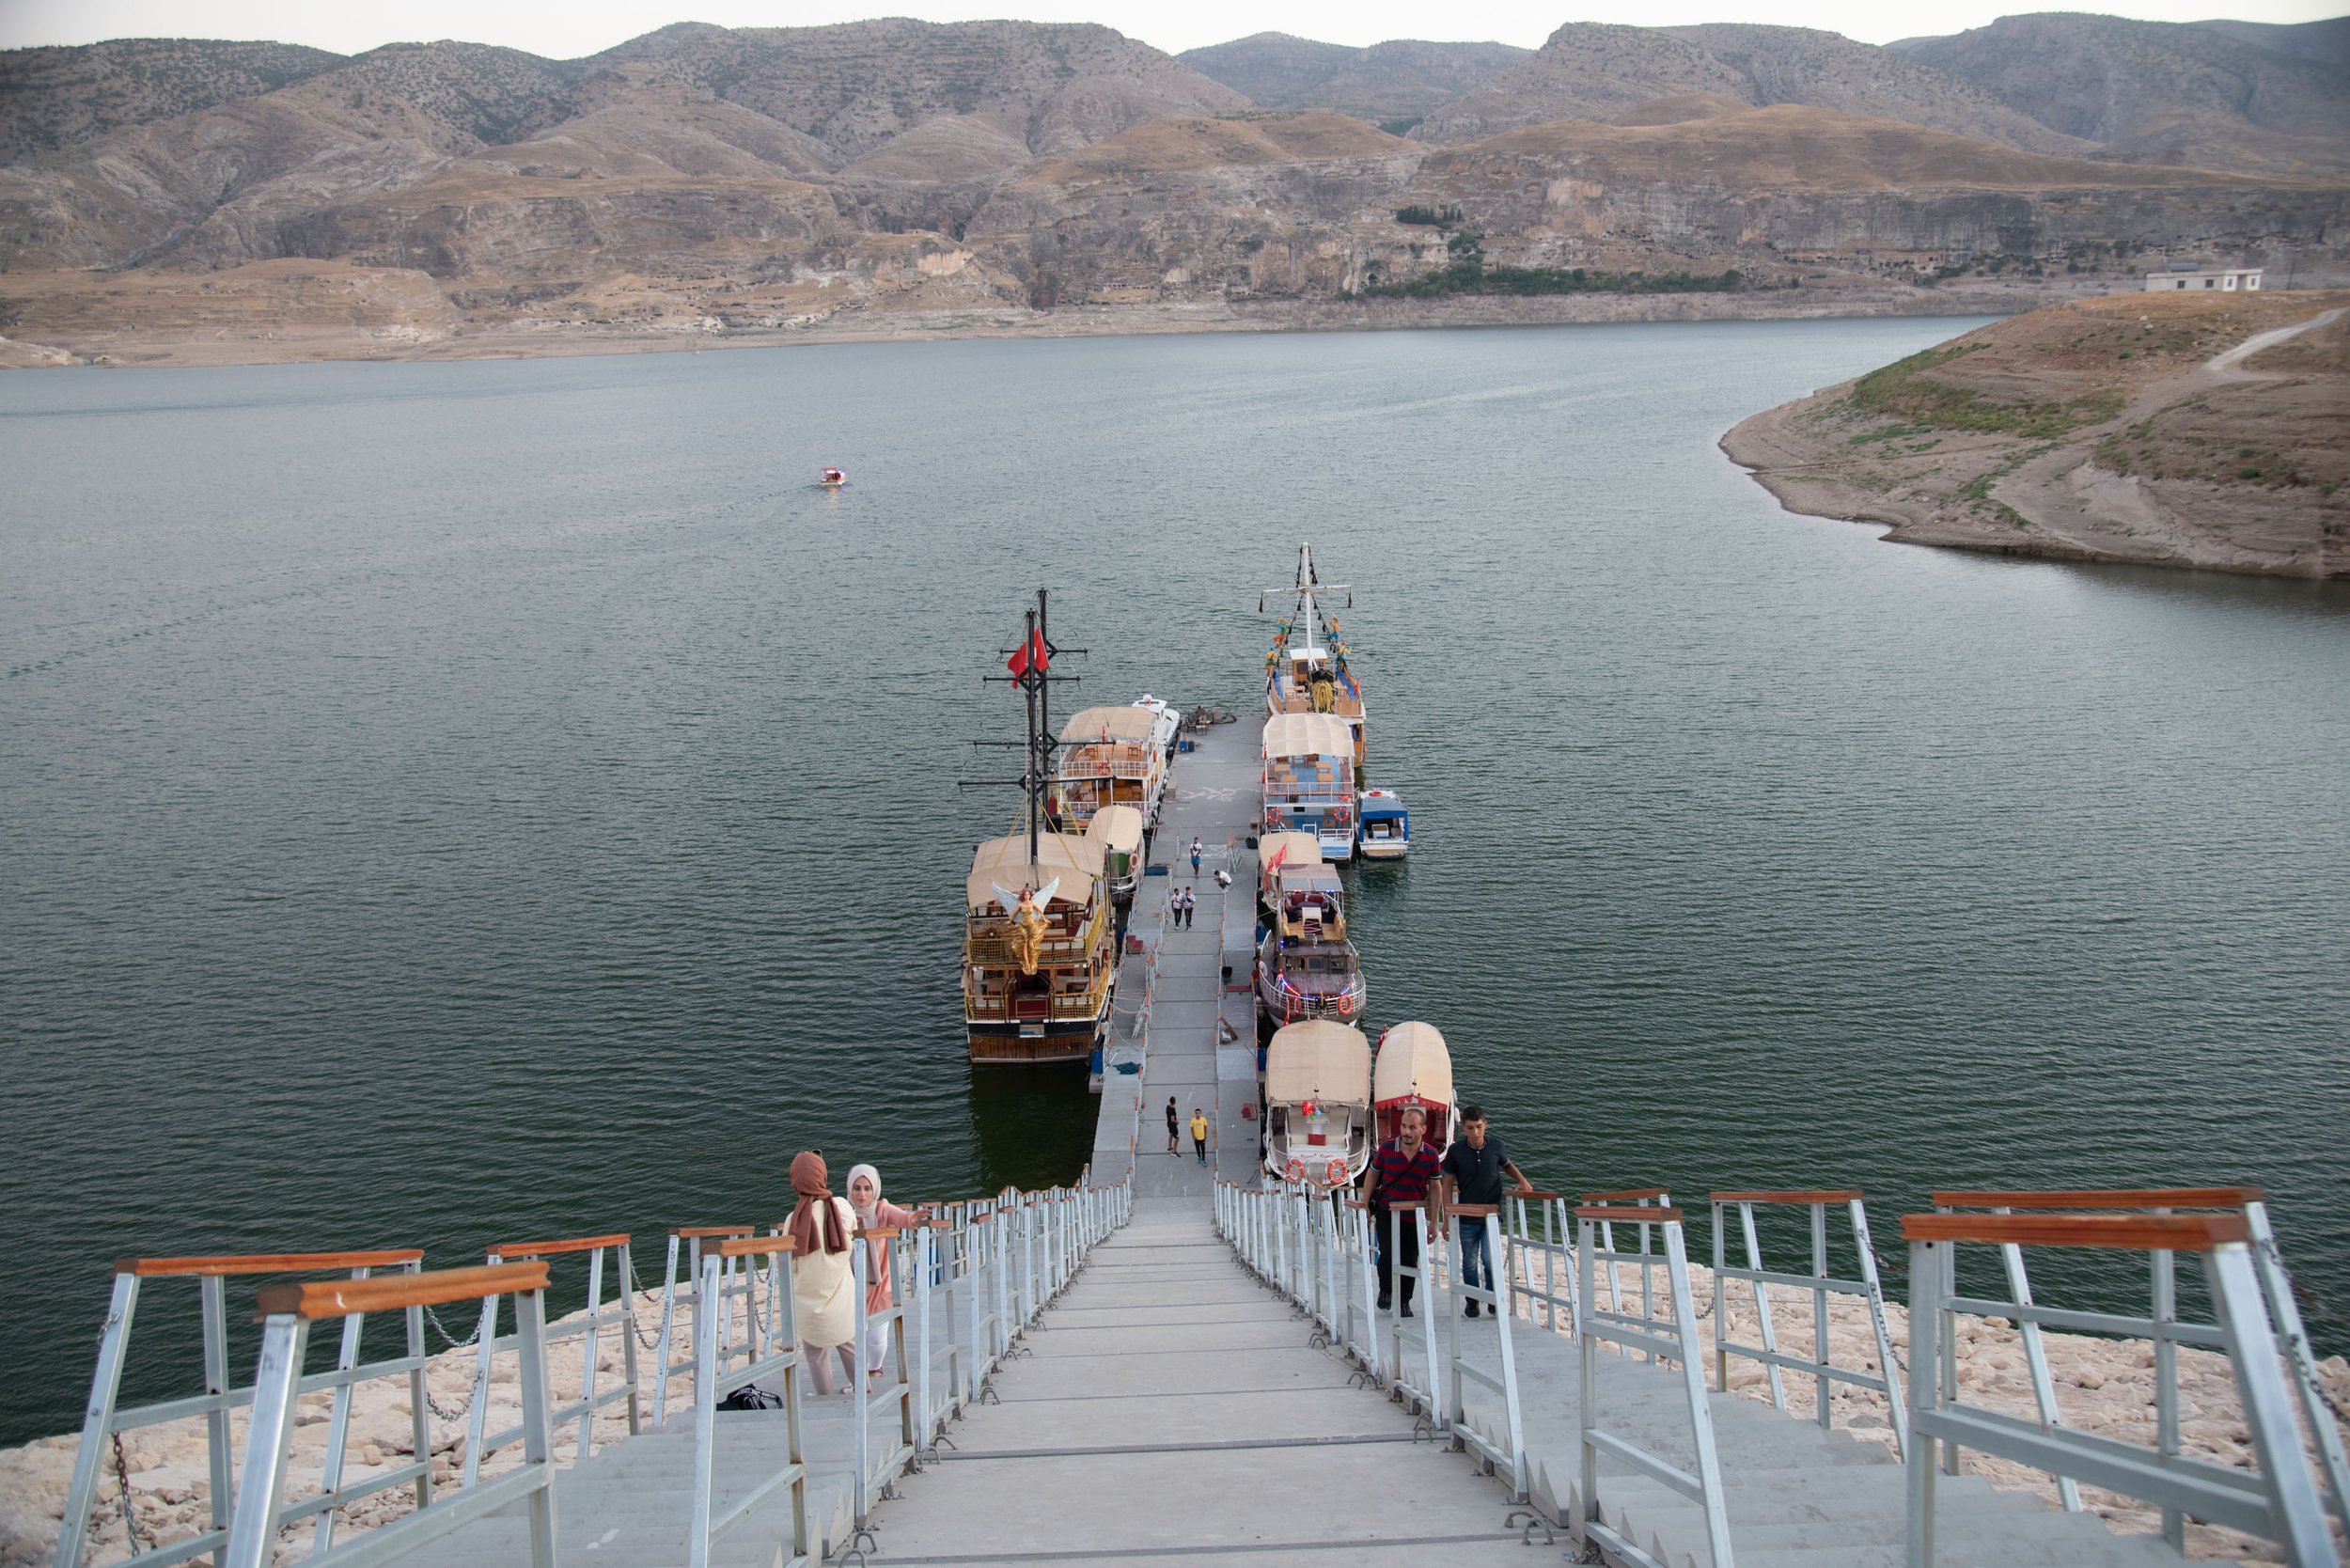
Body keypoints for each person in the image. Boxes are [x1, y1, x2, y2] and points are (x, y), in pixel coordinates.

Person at [1435, 1104, 1535, 1320]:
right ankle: (1472, 1301)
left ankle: (1492, 1299)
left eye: (1479, 1127)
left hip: (1492, 1215)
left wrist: (1523, 1182)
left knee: (1490, 1260)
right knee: (1469, 1262)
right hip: (1466, 1215)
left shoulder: (1496, 1146)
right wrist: (1446, 1217)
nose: (1475, 1132)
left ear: (1485, 1125)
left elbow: (1507, 1165)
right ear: (1464, 1129)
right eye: (1470, 1128)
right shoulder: (1456, 1151)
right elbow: (1447, 1182)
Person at [786, 1152, 859, 1395]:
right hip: (840, 1296)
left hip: (809, 1303)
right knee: (848, 1343)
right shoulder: (842, 1208)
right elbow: (852, 1231)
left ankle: (825, 1396)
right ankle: (862, 1387)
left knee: (815, 1352)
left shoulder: (792, 1221)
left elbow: (787, 1260)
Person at [846, 1164, 925, 1383]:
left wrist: (913, 1219)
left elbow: (900, 1218)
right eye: (857, 1188)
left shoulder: (882, 1210)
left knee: (877, 1334)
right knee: (853, 1332)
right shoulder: (845, 1213)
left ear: (875, 1190)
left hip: (880, 1283)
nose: (862, 1194)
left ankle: (875, 1368)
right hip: (851, 1282)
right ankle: (859, 1374)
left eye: (867, 1188)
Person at [1362, 1106, 1441, 1316]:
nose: (1406, 1132)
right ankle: (1386, 1289)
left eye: (1412, 1127)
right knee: (1387, 1254)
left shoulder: (1431, 1155)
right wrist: (1364, 1203)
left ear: (1423, 1129)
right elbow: (1372, 1174)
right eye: (1404, 1126)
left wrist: (1433, 1221)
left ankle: (1404, 1301)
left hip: (1414, 1215)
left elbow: (1435, 1187)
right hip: (1387, 1210)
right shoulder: (1387, 1149)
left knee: (1409, 1259)